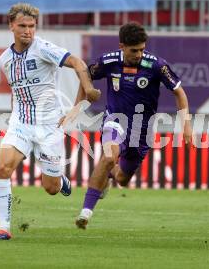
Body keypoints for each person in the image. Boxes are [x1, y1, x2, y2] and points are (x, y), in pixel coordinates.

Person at [0, 3, 100, 240]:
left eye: (31, 26)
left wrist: (87, 91)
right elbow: (15, 90)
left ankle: (59, 178)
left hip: (49, 126)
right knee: (2, 167)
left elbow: (78, 64)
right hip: (20, 123)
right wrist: (12, 117)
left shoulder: (44, 48)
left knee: (51, 188)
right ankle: (4, 228)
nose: (28, 31)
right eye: (22, 26)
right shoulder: (5, 59)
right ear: (11, 26)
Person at [75, 22, 192, 229]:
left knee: (122, 179)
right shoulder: (108, 62)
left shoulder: (157, 65)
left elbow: (179, 92)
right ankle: (85, 212)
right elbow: (85, 73)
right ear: (122, 46)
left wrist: (186, 125)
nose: (139, 54)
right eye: (134, 50)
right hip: (116, 119)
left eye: (142, 49)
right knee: (109, 156)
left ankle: (109, 177)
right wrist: (79, 104)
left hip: (142, 130)